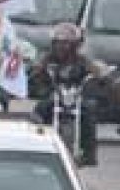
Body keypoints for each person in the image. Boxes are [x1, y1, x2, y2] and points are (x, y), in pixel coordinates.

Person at [29, 23, 105, 166]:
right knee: (40, 109)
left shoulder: (81, 60)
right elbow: (35, 72)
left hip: (76, 96)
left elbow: (96, 72)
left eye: (66, 43)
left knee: (89, 111)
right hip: (55, 95)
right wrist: (37, 71)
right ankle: (37, 146)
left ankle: (90, 154)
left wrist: (98, 75)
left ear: (75, 45)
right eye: (58, 43)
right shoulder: (47, 59)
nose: (61, 47)